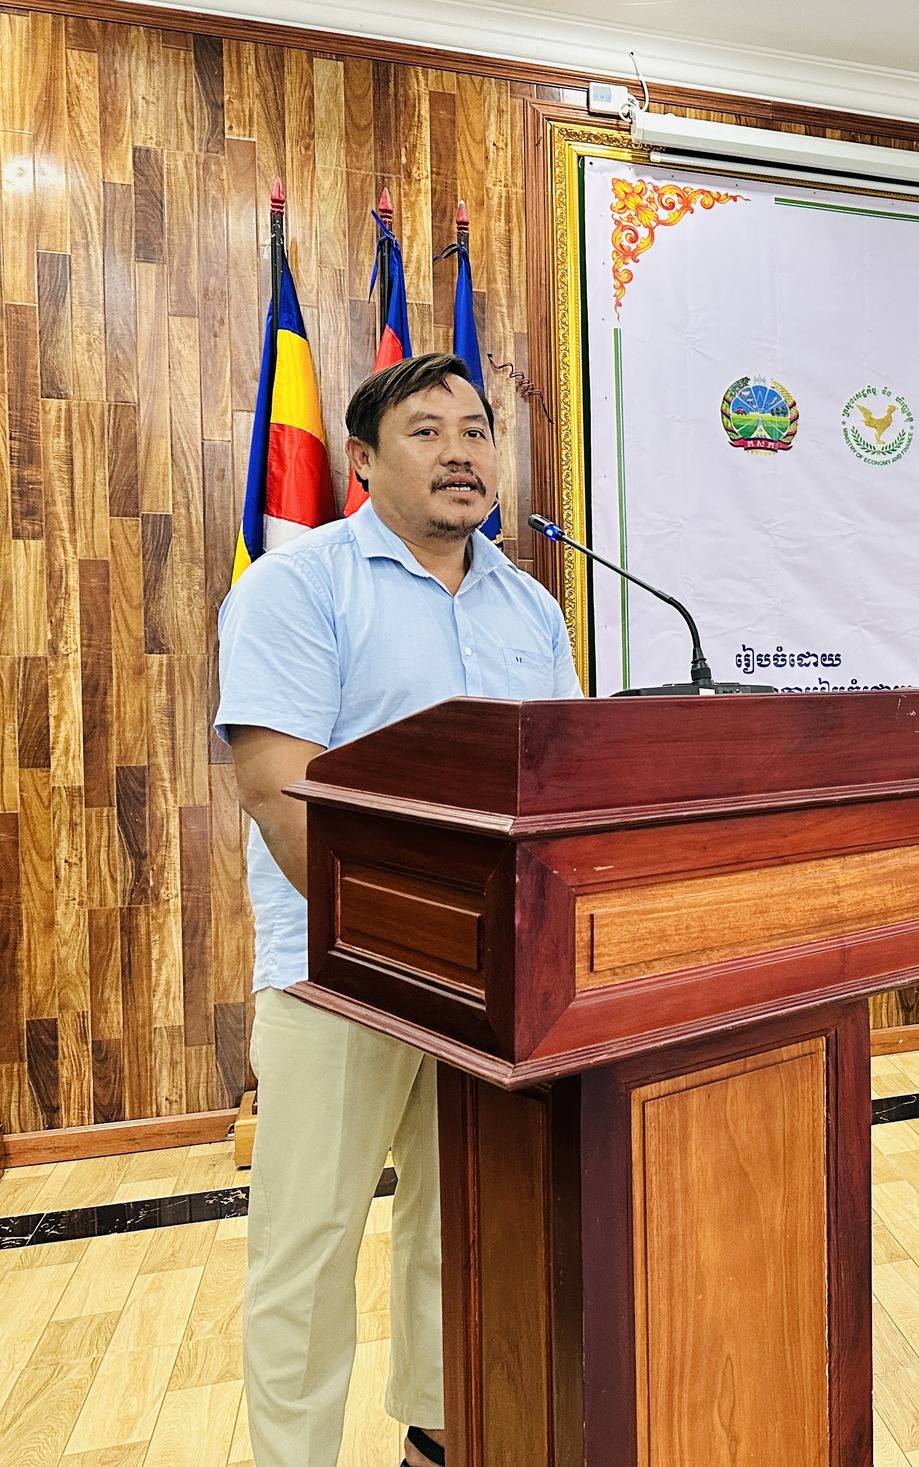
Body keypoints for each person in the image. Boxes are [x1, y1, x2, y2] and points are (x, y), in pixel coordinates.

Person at [216, 354, 582, 1467]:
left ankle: (440, 1432)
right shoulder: (298, 585)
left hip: (495, 974)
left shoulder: (531, 605)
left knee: (459, 1221)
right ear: (363, 460)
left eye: (476, 429)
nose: (461, 451)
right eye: (426, 430)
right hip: (340, 972)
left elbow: (562, 787)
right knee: (308, 1242)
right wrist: (399, 935)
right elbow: (280, 791)